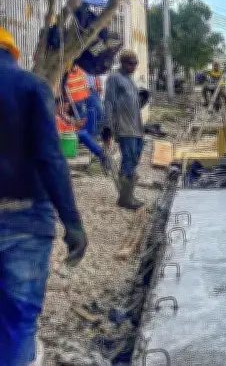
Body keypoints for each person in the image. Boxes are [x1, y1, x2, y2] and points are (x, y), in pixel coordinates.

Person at [0, 27, 87, 365]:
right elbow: (50, 159)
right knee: (19, 317)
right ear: (13, 52)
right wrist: (73, 223)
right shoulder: (32, 86)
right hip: (26, 219)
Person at [103, 50, 145, 210]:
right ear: (123, 63)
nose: (134, 66)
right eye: (131, 63)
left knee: (134, 159)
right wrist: (107, 126)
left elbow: (132, 102)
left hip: (136, 128)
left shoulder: (130, 80)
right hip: (124, 127)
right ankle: (124, 198)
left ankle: (130, 194)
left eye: (136, 63)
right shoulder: (114, 78)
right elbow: (108, 102)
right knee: (128, 159)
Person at [62, 63, 107, 169]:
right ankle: (100, 153)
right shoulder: (66, 75)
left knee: (92, 114)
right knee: (83, 132)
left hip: (75, 128)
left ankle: (100, 153)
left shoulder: (81, 71)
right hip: (69, 134)